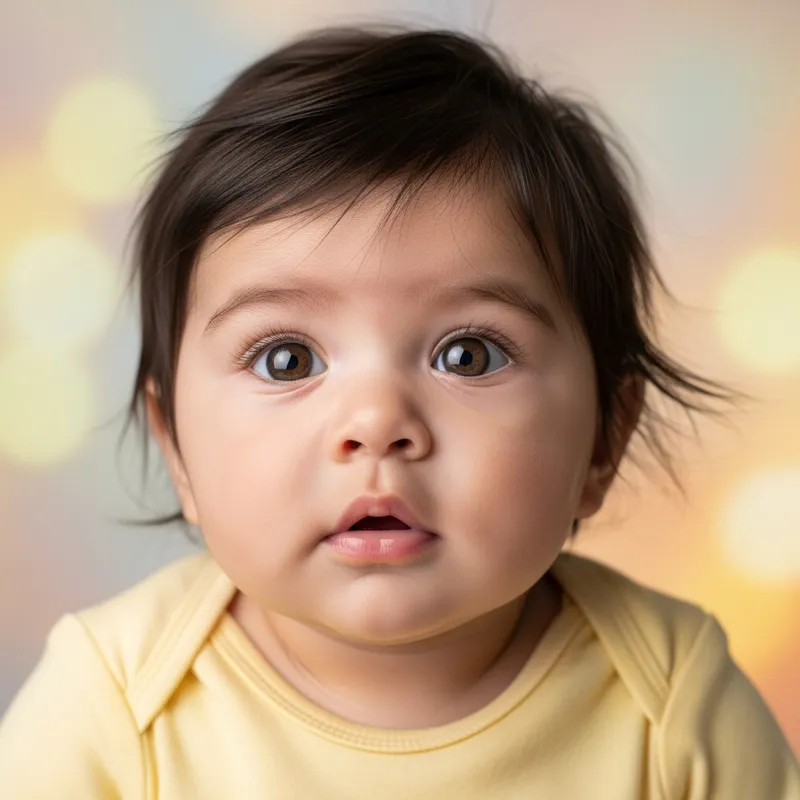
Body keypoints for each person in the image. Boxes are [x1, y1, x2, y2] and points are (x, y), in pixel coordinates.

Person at [1, 25, 797, 799]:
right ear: (176, 447)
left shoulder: (671, 702)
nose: (378, 422)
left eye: (470, 355)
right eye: (287, 359)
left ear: (604, 439)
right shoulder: (113, 705)